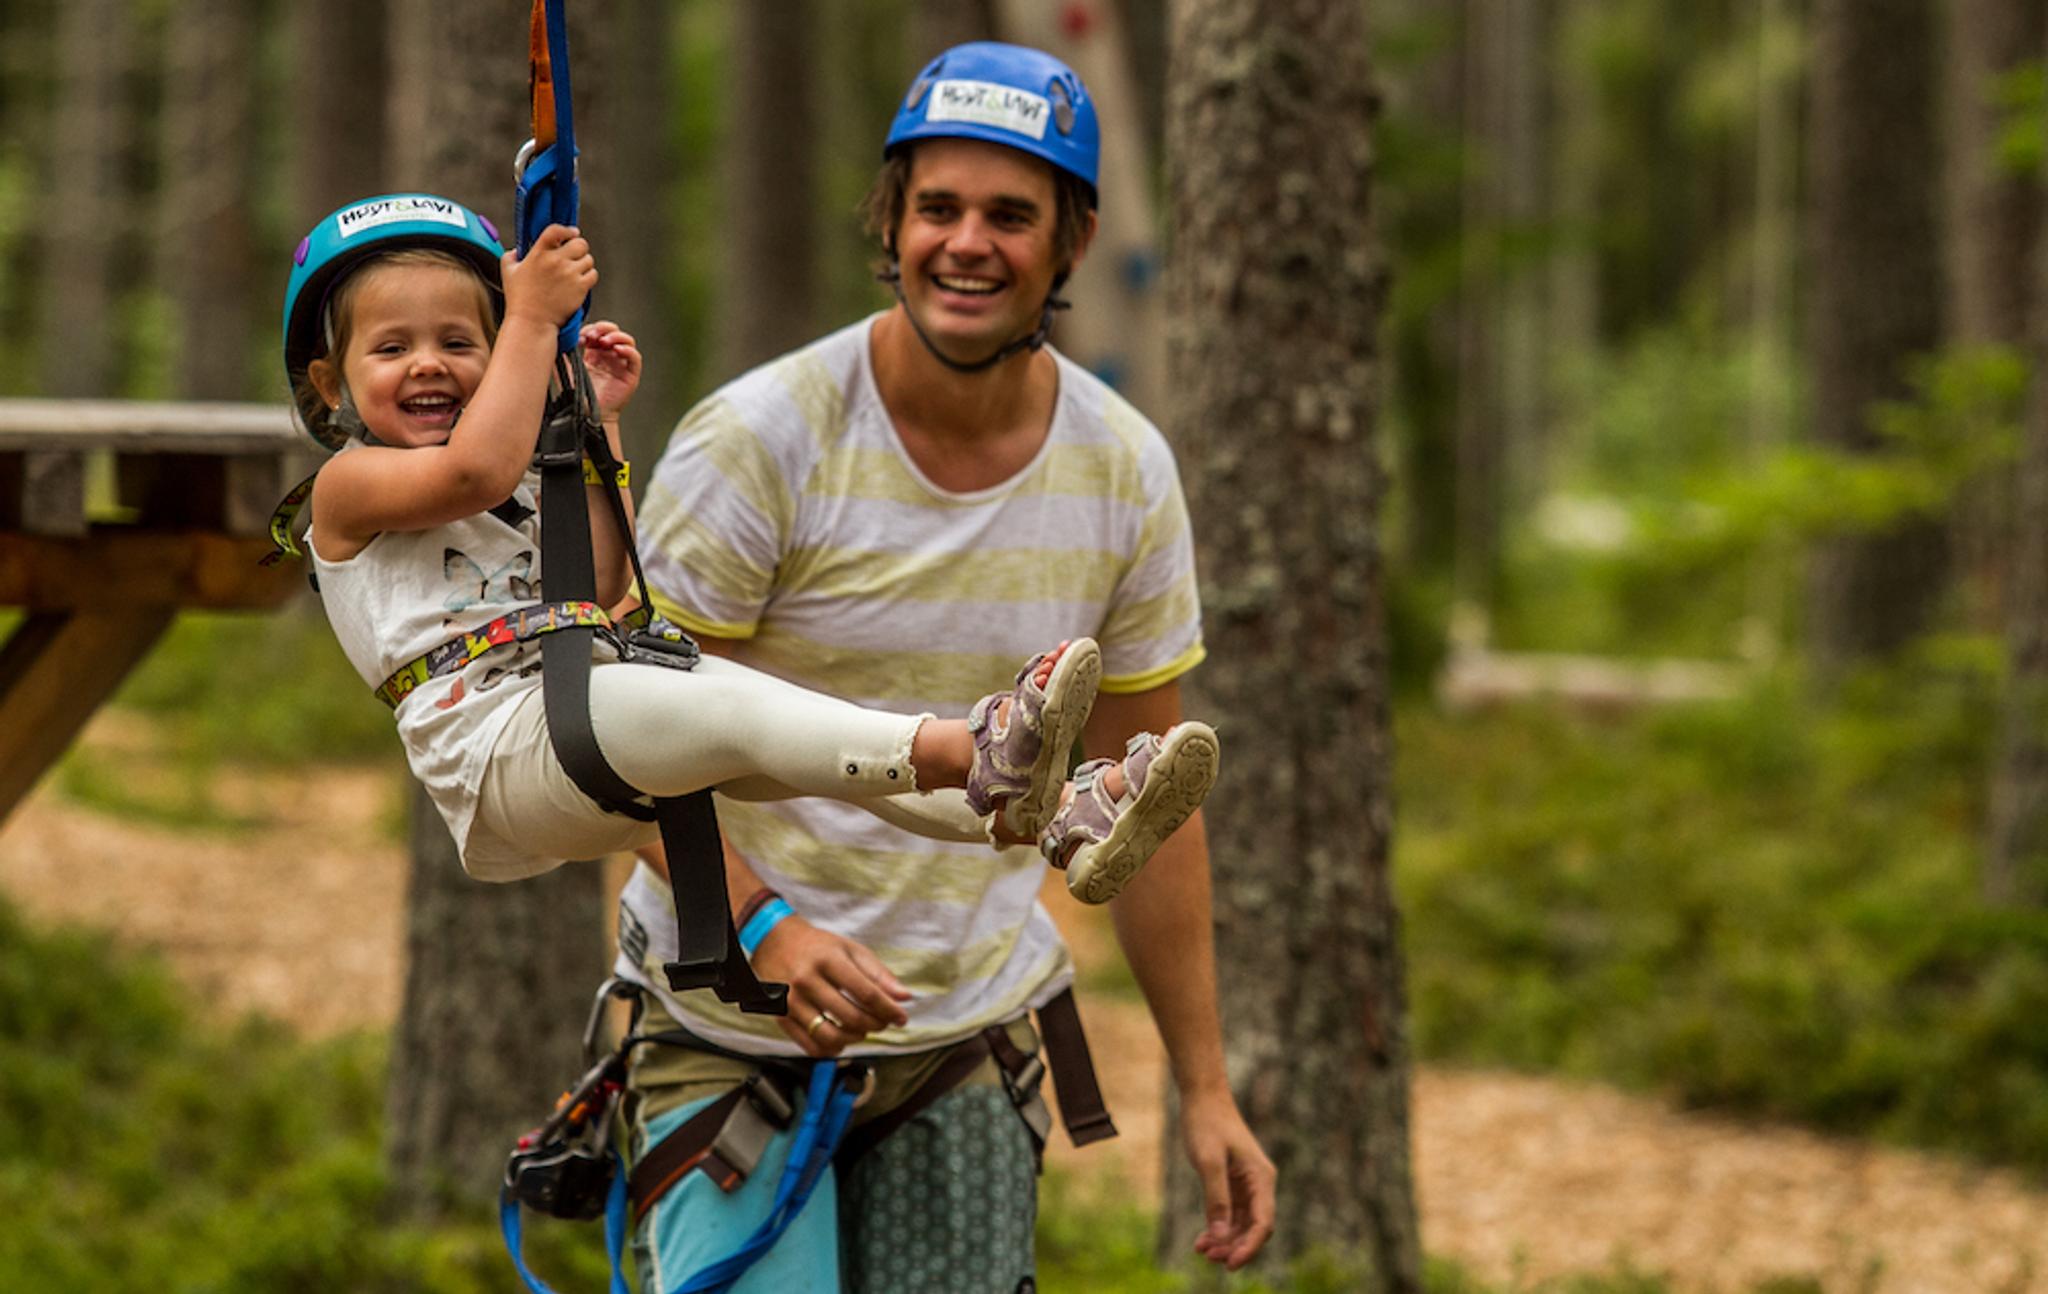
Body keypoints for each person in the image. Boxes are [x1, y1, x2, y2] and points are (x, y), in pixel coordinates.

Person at [614, 41, 1276, 1294]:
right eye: (936, 209)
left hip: (961, 1036)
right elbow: (627, 742)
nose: (965, 243)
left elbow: (1150, 803)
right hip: (727, 1018)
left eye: (1009, 216)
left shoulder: (1125, 470)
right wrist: (761, 922)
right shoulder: (761, 438)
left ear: (1070, 241)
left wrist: (1205, 1089)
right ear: (892, 221)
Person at [276, 192, 1219, 896]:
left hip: (573, 713)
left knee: (796, 738)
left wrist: (597, 432)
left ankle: (1056, 813)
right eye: (392, 350)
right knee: (737, 712)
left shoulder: (514, 474)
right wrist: (527, 320)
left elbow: (601, 590)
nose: (431, 363)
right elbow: (469, 478)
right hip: (497, 753)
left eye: (458, 341)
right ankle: (979, 742)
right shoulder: (347, 486)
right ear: (332, 385)